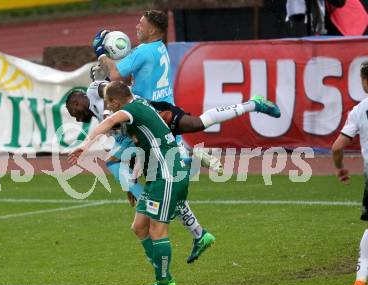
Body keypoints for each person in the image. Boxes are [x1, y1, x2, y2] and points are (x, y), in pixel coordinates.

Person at [65, 81, 280, 262]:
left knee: (136, 166)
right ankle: (198, 233)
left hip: (154, 114)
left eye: (73, 112)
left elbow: (110, 92)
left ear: (76, 102)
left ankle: (252, 106)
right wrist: (129, 182)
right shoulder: (102, 114)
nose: (75, 118)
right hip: (144, 132)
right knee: (164, 178)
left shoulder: (96, 90)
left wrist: (104, 62)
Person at [70, 81, 193, 285]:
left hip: (167, 174)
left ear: (117, 102)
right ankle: (165, 279)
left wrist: (85, 144)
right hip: (157, 175)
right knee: (139, 227)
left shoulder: (130, 110)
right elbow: (142, 144)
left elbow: (108, 122)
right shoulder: (139, 107)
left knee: (157, 231)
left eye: (109, 103)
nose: (107, 107)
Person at [331, 61, 368, 285]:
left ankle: (360, 281)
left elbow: (337, 147)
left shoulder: (359, 110)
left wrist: (340, 168)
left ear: (365, 82)